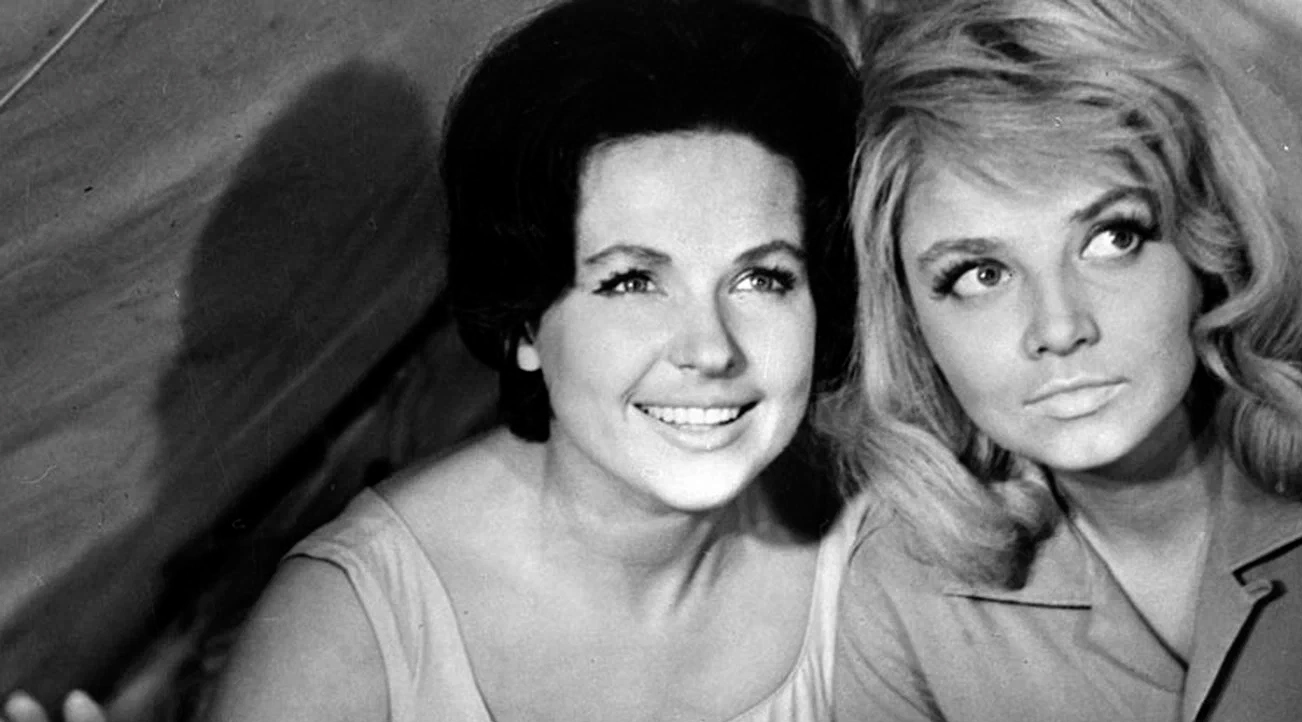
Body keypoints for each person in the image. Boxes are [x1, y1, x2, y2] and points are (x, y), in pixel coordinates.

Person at [3, 1, 861, 721]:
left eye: (762, 278)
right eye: (632, 281)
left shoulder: (874, 548)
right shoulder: (346, 631)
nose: (710, 349)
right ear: (524, 322)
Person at [828, 0, 1302, 720]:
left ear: (1209, 242)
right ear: (912, 320)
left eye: (1112, 238)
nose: (1059, 328)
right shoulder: (898, 583)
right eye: (980, 274)